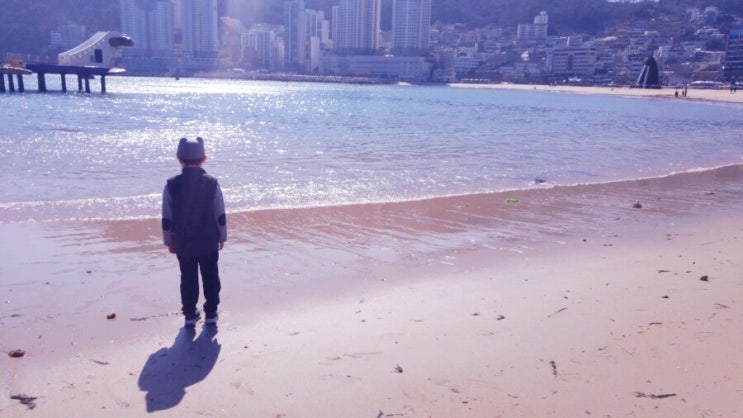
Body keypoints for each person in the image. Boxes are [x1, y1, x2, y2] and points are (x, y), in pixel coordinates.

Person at [162, 137, 227, 328]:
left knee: (187, 277)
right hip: (208, 239)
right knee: (211, 275)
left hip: (183, 241)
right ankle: (211, 312)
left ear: (179, 159)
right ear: (204, 159)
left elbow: (167, 216)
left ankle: (190, 314)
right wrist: (222, 236)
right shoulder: (212, 183)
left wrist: (168, 240)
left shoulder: (171, 185)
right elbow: (219, 213)